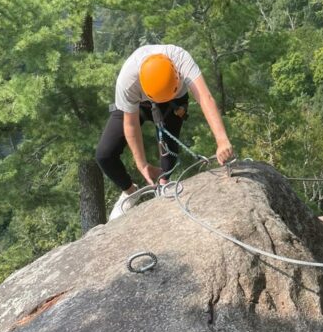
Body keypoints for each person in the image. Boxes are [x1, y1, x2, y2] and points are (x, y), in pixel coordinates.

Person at [96, 44, 234, 220]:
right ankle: (130, 192)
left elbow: (205, 98)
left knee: (168, 151)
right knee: (104, 155)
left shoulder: (181, 59)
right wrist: (142, 165)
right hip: (141, 102)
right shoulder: (128, 81)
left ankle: (163, 185)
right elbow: (131, 125)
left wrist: (222, 140)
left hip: (174, 101)